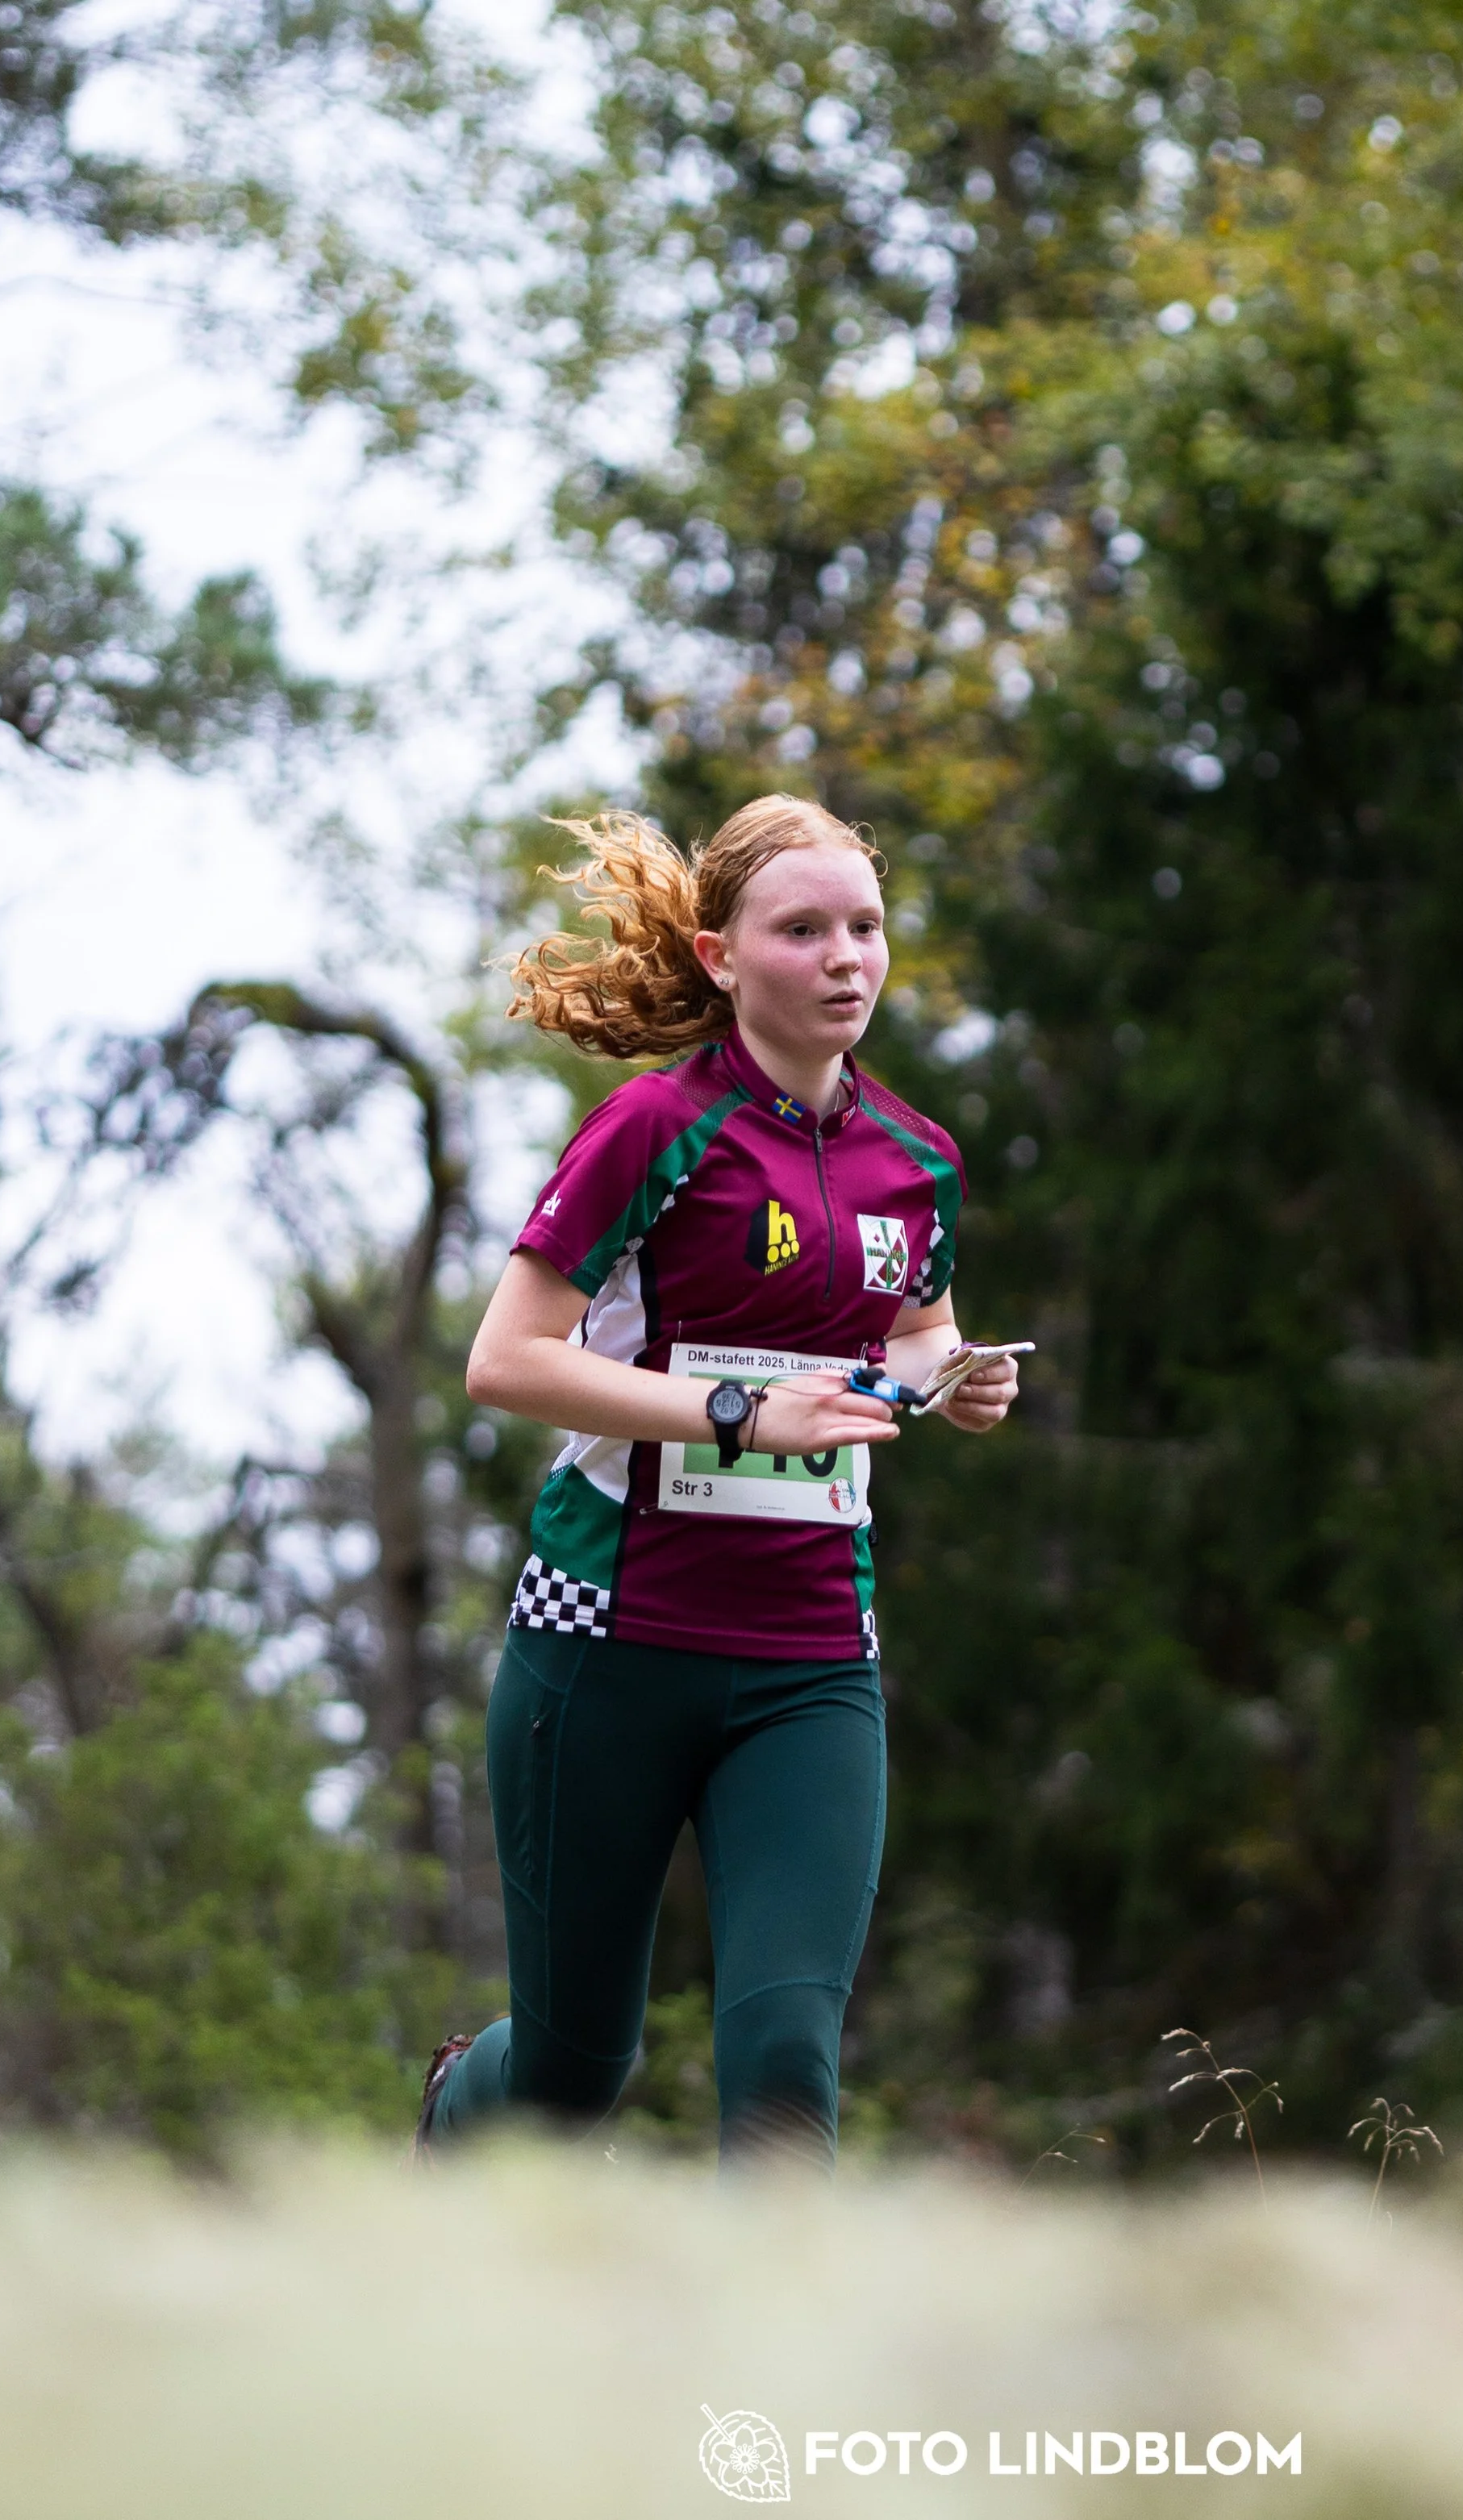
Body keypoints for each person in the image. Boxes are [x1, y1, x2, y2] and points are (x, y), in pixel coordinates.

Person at [413, 794, 1019, 2170]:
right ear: (720, 956)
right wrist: (738, 1412)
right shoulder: (652, 1131)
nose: (845, 958)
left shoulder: (918, 1162)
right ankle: (458, 2113)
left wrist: (963, 1376)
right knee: (572, 2075)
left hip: (811, 1660)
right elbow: (505, 1362)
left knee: (786, 2060)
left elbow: (913, 1329)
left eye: (865, 927)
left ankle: (765, 2378)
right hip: (605, 1645)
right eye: (801, 930)